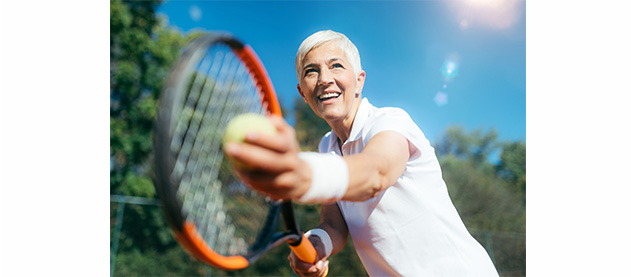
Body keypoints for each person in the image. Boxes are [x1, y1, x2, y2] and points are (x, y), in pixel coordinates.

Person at [224, 30, 499, 276]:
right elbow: (334, 224)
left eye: (336, 66)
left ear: (359, 81)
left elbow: (376, 173)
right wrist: (317, 244)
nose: (324, 79)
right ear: (303, 94)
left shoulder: (390, 121)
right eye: (311, 71)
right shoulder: (326, 147)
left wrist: (303, 173)